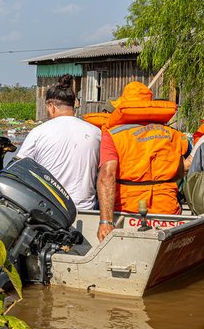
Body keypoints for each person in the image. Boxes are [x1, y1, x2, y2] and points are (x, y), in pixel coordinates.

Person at [97, 81, 190, 242]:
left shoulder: (113, 135)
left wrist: (105, 221)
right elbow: (182, 169)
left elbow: (107, 176)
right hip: (167, 209)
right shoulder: (173, 134)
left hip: (128, 210)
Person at [15, 74, 101, 209]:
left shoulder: (39, 132)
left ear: (52, 106)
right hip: (86, 209)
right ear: (74, 104)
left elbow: (18, 168)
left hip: (50, 209)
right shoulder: (95, 132)